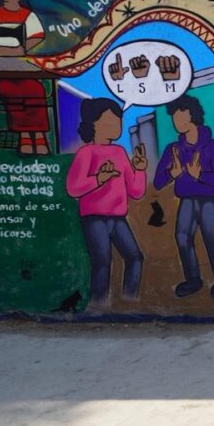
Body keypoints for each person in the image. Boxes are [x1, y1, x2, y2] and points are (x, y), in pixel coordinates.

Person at [65, 98, 148, 306]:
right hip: (94, 219)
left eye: (118, 121)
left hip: (118, 218)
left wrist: (139, 170)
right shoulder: (86, 153)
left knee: (135, 257)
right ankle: (98, 304)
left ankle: (129, 299)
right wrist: (99, 179)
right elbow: (73, 188)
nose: (116, 126)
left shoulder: (120, 152)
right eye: (110, 121)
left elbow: (136, 191)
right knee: (102, 262)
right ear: (94, 124)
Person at [153, 95, 214, 300]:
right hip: (186, 200)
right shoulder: (173, 149)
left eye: (181, 116)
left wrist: (201, 176)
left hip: (208, 200)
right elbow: (158, 182)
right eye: (174, 117)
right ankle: (193, 279)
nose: (177, 121)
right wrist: (172, 174)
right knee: (182, 238)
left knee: (212, 239)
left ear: (193, 116)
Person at [0, 0, 49, 155]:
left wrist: (17, 49)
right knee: (10, 91)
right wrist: (12, 50)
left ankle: (39, 135)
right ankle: (25, 135)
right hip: (0, 74)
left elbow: (33, 40)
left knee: (36, 89)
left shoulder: (28, 16)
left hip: (21, 70)